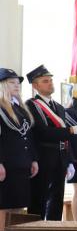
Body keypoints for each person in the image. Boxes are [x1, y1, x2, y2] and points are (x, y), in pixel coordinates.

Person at [25, 65, 77, 220]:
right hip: (44, 156)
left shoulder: (58, 107)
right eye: (45, 81)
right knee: (39, 198)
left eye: (51, 80)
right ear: (35, 85)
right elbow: (42, 132)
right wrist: (71, 130)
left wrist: (72, 159)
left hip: (60, 156)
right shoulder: (31, 105)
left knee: (57, 198)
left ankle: (53, 229)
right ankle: (35, 230)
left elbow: (67, 136)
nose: (50, 83)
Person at [0, 69, 38, 212]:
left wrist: (33, 159)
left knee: (18, 207)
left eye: (18, 83)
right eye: (12, 82)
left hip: (22, 164)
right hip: (7, 165)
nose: (17, 85)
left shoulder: (19, 108)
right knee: (4, 208)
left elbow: (28, 136)